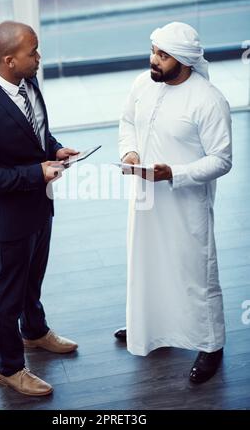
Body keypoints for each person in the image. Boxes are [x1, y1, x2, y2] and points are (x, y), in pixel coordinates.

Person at [0, 21, 79, 396]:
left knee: (32, 280)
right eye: (33, 52)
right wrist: (35, 173)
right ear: (9, 60)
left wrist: (53, 150)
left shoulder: (28, 82)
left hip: (39, 207)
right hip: (7, 220)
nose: (39, 57)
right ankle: (9, 368)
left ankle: (35, 332)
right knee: (8, 295)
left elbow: (37, 131)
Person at [115, 22, 232, 384]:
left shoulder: (208, 100)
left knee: (194, 274)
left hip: (185, 206)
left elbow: (221, 160)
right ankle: (147, 327)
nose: (154, 60)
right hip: (146, 199)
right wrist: (130, 151)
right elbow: (127, 122)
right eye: (153, 51)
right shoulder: (141, 84)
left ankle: (211, 346)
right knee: (147, 264)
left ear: (183, 60)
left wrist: (174, 174)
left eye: (163, 56)